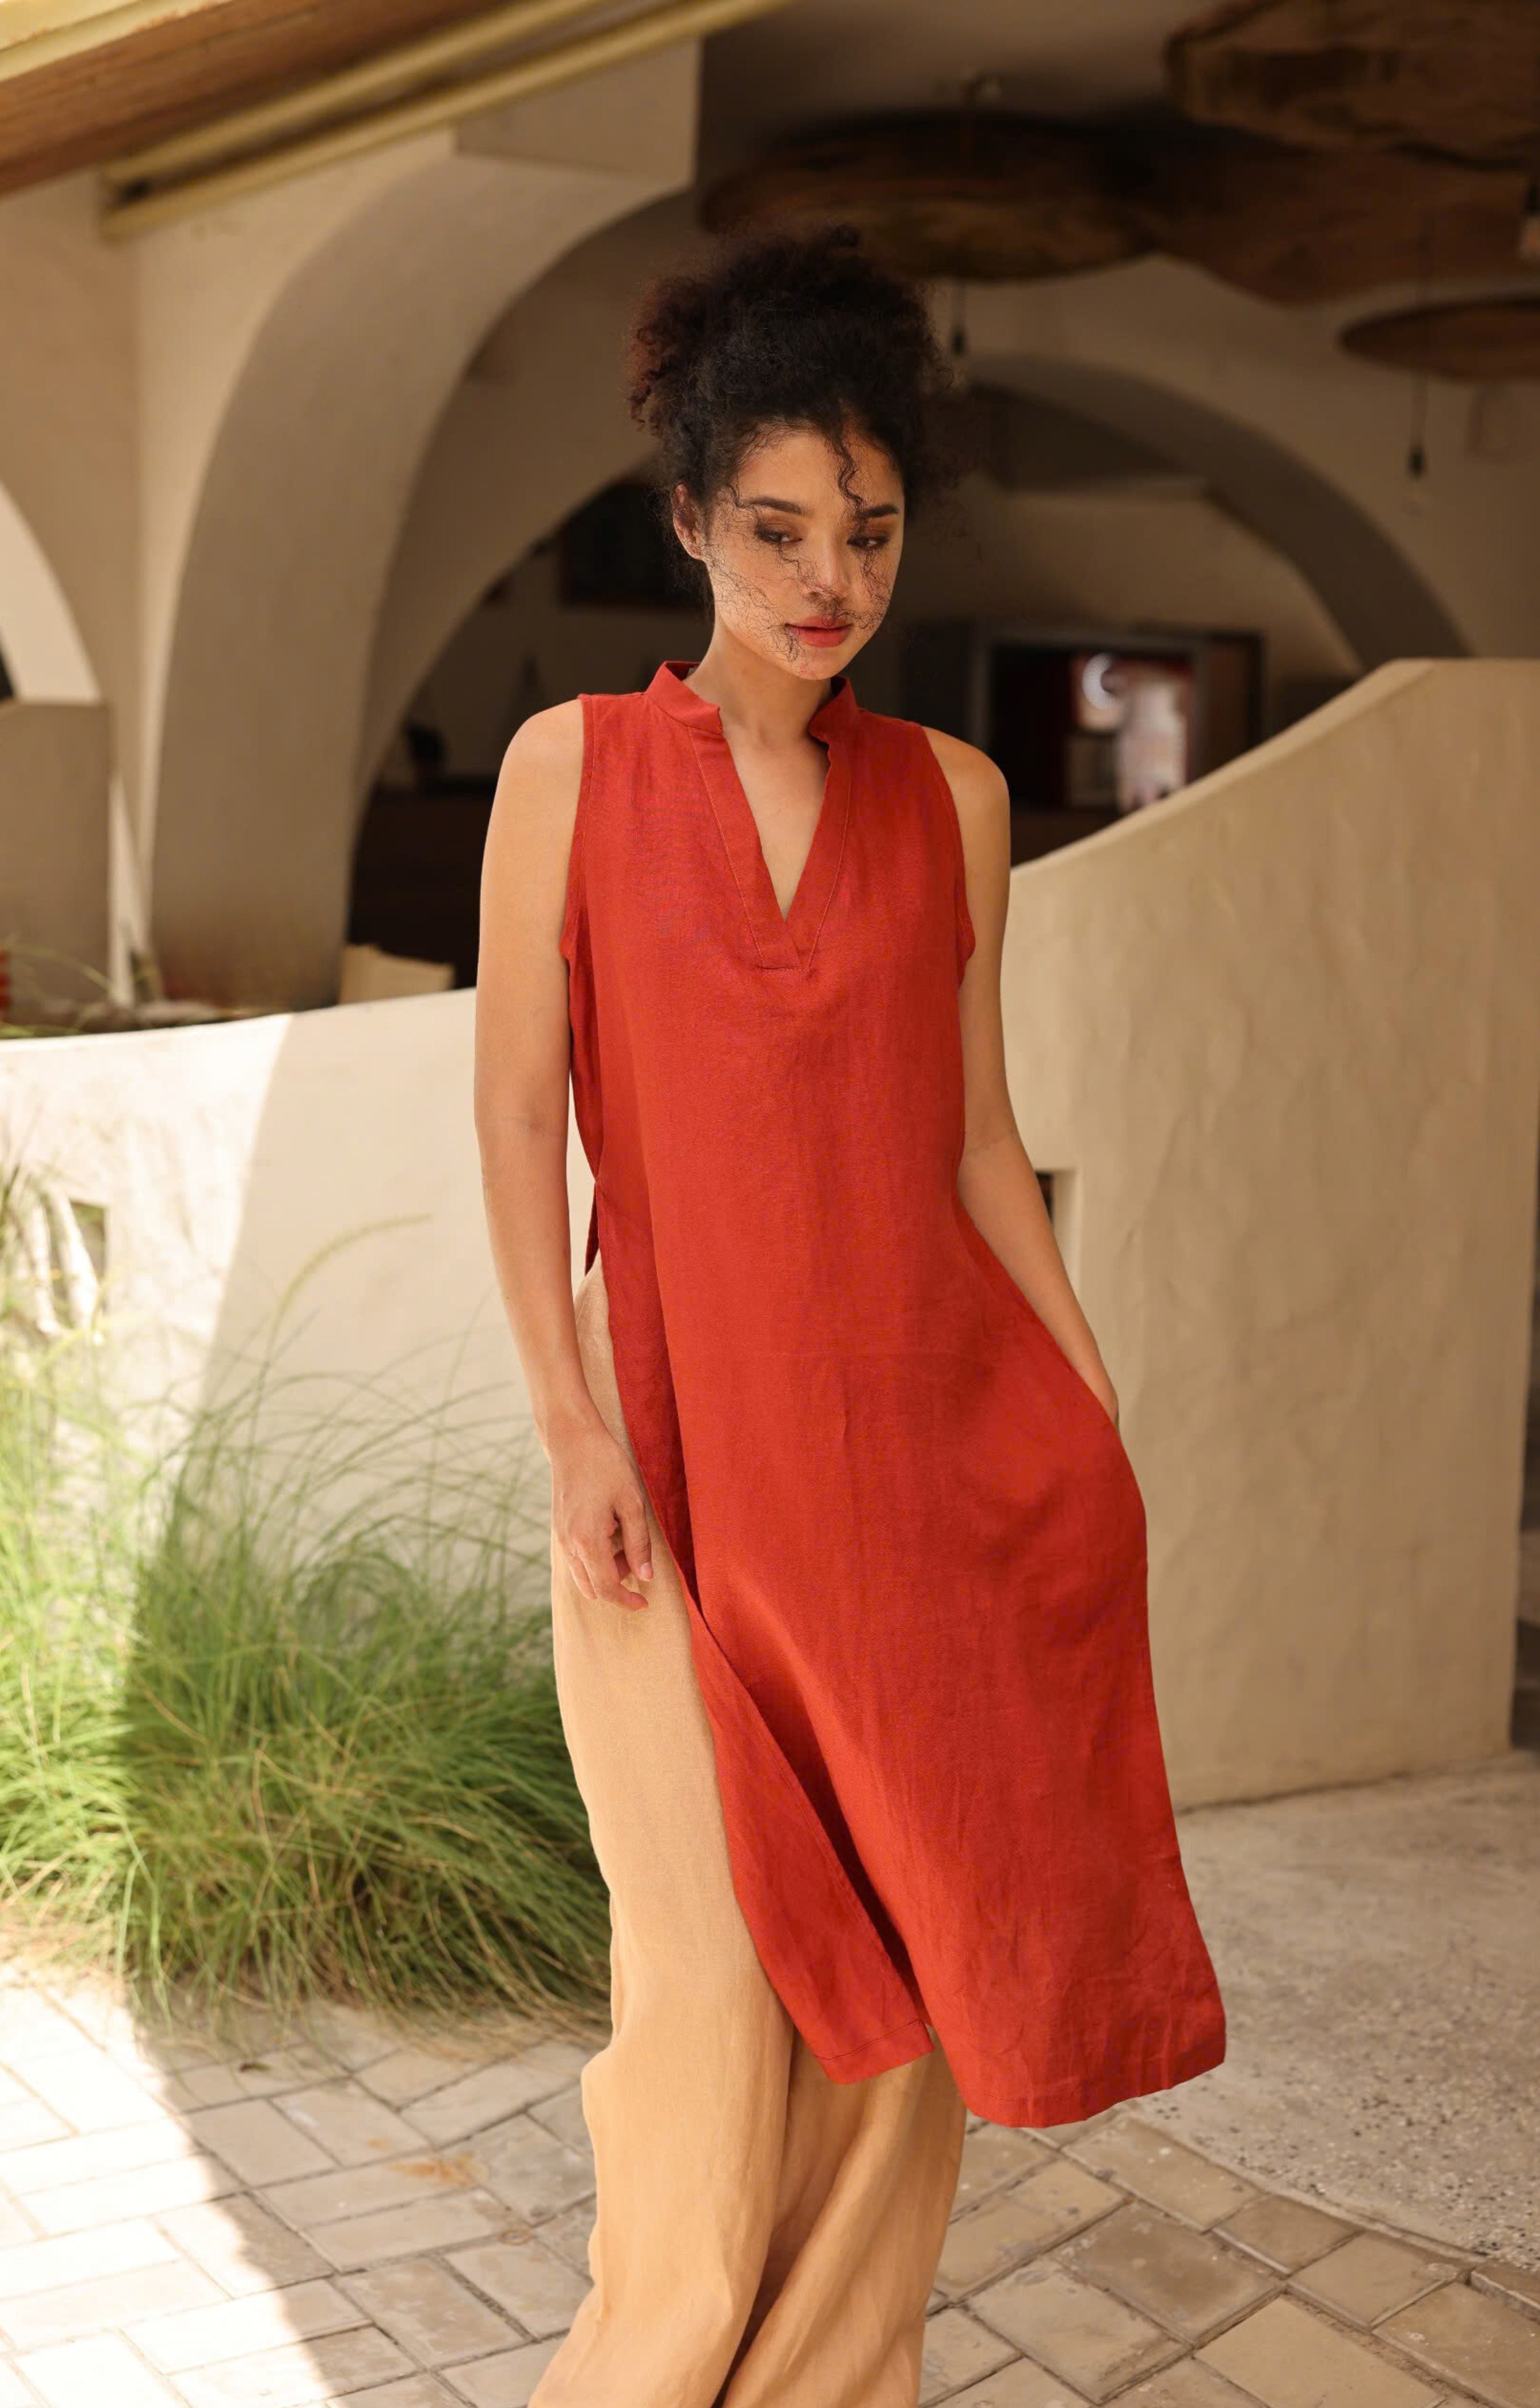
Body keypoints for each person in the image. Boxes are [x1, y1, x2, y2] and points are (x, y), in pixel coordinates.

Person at [473, 225, 1226, 2408]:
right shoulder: (571, 777)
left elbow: (974, 1152)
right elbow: (524, 1125)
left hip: (922, 1505)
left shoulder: (960, 803)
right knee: (706, 2045)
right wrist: (572, 1435)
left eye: (870, 531)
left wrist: (1084, 1422)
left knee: (910, 2036)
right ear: (692, 519)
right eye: (779, 528)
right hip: (673, 1500)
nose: (828, 576)